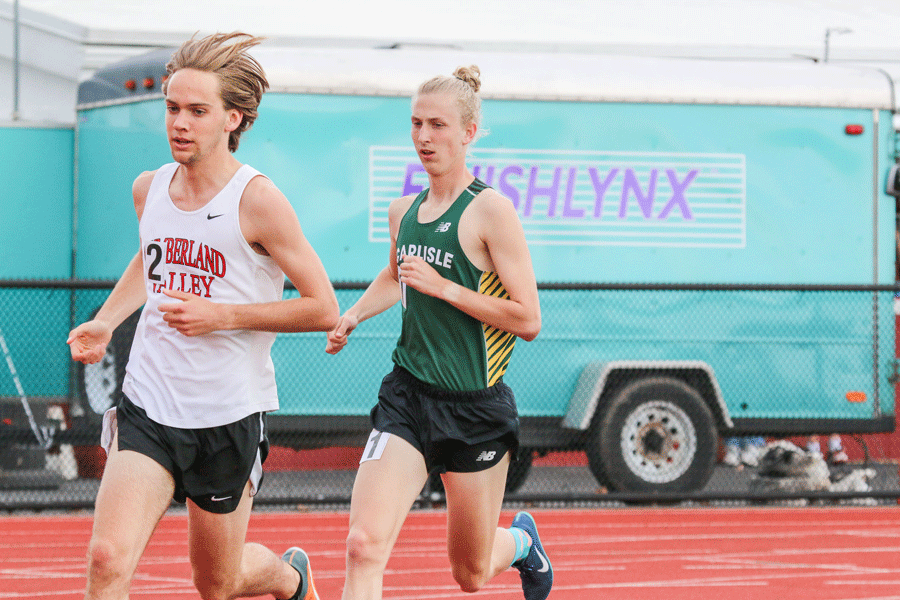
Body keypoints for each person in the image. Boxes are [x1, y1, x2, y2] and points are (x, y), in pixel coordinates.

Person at [67, 32, 338, 600]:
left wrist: (223, 316)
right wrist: (110, 319)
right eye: (171, 108)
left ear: (233, 118)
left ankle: (289, 577)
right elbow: (152, 258)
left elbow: (322, 307)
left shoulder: (258, 201)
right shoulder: (150, 189)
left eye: (197, 110)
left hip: (226, 417)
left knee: (216, 582)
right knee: (106, 557)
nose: (179, 123)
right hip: (149, 404)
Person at [326, 65, 550, 600]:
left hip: (474, 408)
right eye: (416, 124)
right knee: (362, 545)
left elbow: (528, 319)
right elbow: (394, 272)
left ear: (469, 132)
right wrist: (355, 313)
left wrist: (448, 288)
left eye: (438, 125)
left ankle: (520, 543)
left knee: (470, 574)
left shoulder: (491, 211)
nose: (424, 137)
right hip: (408, 397)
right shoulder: (403, 210)